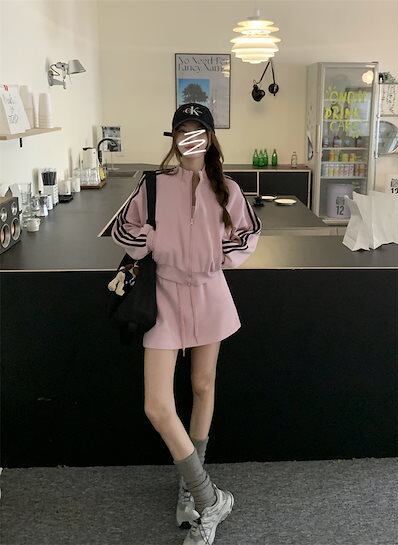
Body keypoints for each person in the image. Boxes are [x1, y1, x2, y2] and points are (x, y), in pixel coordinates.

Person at [111, 102, 262, 545]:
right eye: (182, 132)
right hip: (163, 296)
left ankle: (190, 488)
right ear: (174, 138)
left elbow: (248, 235)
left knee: (202, 386)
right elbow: (123, 229)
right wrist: (152, 239)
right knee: (157, 405)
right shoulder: (153, 185)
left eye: (198, 132)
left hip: (209, 293)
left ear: (210, 139)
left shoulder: (228, 189)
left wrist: (219, 254)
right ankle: (210, 498)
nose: (190, 139)